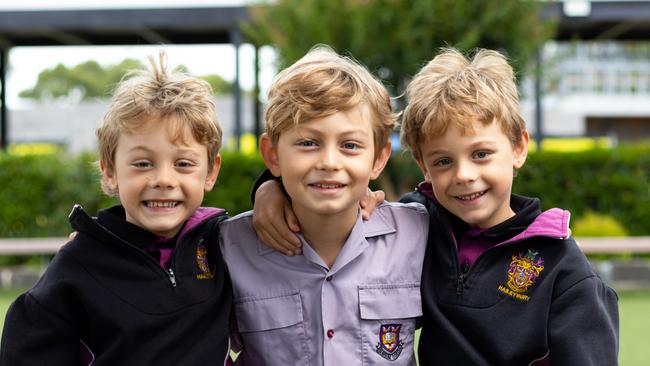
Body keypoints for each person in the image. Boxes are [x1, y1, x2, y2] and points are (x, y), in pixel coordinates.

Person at [252, 48, 619, 365]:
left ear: (519, 147)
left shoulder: (564, 270)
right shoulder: (419, 226)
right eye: (442, 161)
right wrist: (270, 189)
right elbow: (332, 197)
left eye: (481, 154)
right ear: (423, 167)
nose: (463, 174)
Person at [0, 52, 232, 365]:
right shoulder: (77, 267)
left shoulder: (224, 245)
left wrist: (268, 191)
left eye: (183, 164)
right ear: (109, 170)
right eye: (142, 163)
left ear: (211, 172)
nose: (163, 179)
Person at [220, 46, 428, 365]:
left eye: (350, 145)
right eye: (308, 143)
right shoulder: (228, 248)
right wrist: (267, 189)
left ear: (379, 158)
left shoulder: (419, 234)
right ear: (273, 155)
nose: (329, 162)